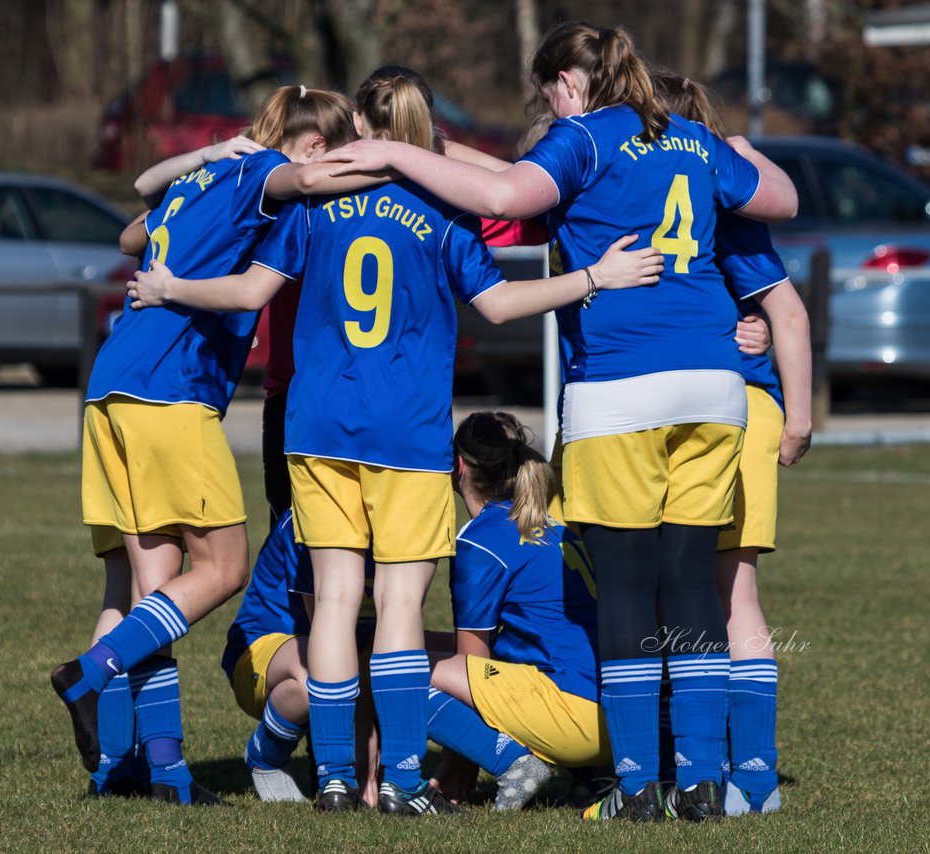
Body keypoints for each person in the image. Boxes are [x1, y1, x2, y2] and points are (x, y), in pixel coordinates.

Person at [124, 64, 661, 815]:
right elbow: (501, 304)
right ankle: (404, 781)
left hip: (314, 428)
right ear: (422, 131)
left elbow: (249, 292)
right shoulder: (444, 209)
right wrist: (593, 279)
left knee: (336, 601)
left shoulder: (310, 207)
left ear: (362, 131)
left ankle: (339, 777)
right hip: (404, 434)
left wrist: (170, 284)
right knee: (400, 608)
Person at [318, 23, 799, 822]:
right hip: (715, 384)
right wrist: (729, 144)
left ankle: (640, 787)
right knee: (689, 584)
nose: (548, 108)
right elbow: (778, 197)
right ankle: (706, 782)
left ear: (569, 85)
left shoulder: (584, 136)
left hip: (623, 388)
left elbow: (508, 195)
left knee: (625, 591)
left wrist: (396, 154)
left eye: (547, 94)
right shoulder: (686, 137)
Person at [49, 85, 358, 807]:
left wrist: (205, 162)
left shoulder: (210, 174)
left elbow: (132, 233)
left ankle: (162, 774)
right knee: (223, 568)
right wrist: (393, 157)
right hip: (169, 389)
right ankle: (89, 672)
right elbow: (304, 178)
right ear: (312, 145)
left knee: (155, 591)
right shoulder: (260, 178)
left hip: (113, 384)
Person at [651, 68, 813, 816]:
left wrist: (800, 416)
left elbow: (787, 311)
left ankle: (741, 773)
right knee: (706, 590)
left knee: (724, 588)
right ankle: (730, 772)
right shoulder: (709, 188)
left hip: (729, 411)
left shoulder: (710, 205)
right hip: (696, 409)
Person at [424, 412, 608, 812]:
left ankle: (512, 762)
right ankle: (591, 777)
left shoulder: (483, 538)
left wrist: (454, 768)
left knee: (395, 666)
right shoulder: (555, 526)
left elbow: (472, 661)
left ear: (457, 467)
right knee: (413, 645)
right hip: (613, 717)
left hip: (570, 713)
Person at [221, 508, 381, 803]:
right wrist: (364, 731)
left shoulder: (393, 517)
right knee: (319, 676)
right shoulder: (309, 520)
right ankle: (265, 754)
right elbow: (329, 636)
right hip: (263, 655)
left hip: (347, 658)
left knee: (420, 661)